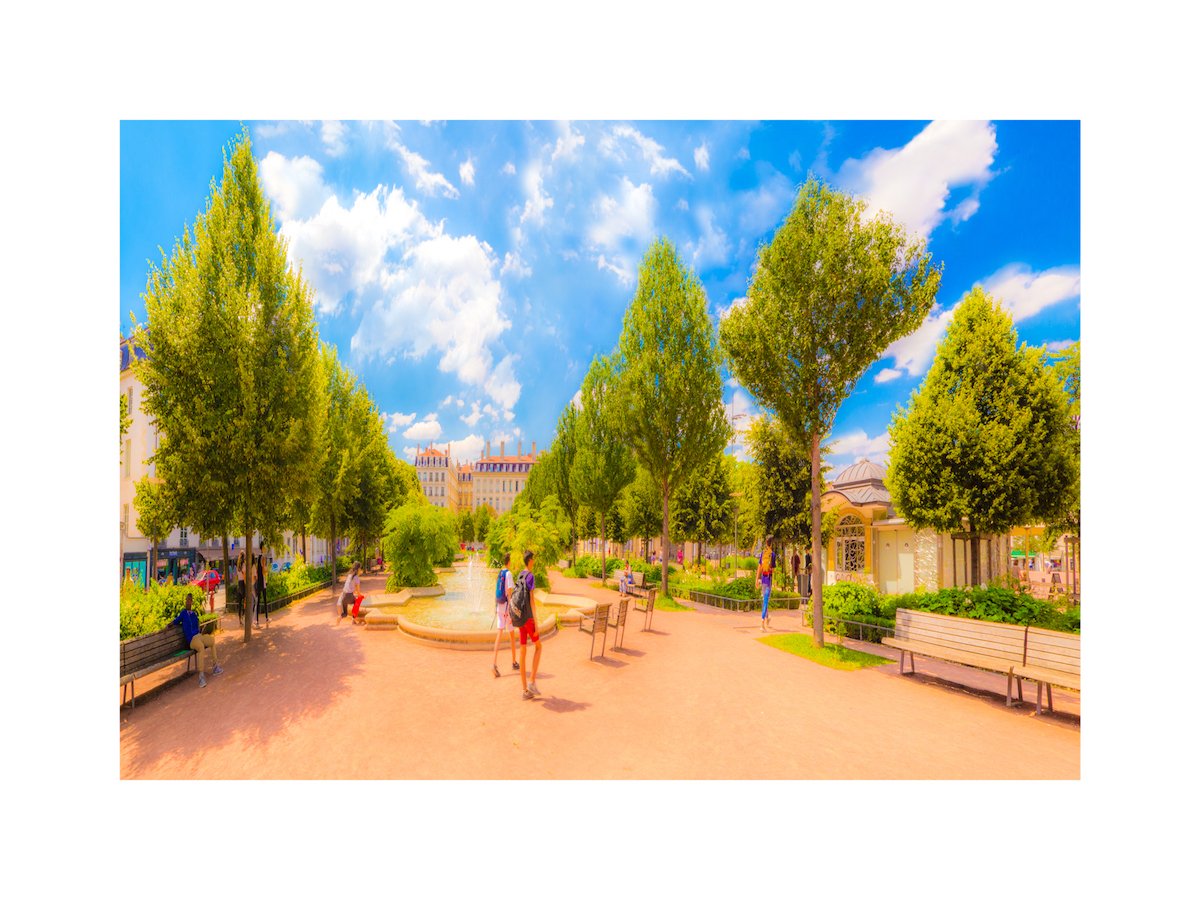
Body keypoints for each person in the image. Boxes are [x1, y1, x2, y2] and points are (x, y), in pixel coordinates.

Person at [170, 593, 222, 687]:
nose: (188, 602)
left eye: (189, 600)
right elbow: (175, 621)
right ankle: (201, 676)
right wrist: (167, 626)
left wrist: (201, 631)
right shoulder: (183, 613)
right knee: (201, 647)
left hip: (199, 636)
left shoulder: (194, 615)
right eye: (186, 600)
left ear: (192, 602)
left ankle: (215, 666)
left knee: (212, 640)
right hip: (192, 640)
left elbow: (196, 627)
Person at [510, 550, 542, 700]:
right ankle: (532, 682)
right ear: (530, 560)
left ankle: (524, 690)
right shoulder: (530, 576)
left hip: (520, 618)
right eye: (533, 560)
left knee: (522, 652)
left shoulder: (519, 575)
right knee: (539, 647)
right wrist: (536, 620)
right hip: (528, 618)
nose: (533, 562)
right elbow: (532, 600)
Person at [491, 552, 519, 677]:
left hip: (499, 607)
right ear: (510, 561)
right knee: (512, 634)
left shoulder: (500, 573)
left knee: (499, 634)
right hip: (507, 610)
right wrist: (511, 610)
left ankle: (494, 663)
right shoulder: (509, 574)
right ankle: (513, 662)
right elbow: (510, 593)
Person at [758, 534, 777, 631]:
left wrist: (756, 579)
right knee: (765, 601)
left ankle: (767, 618)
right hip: (769, 581)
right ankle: (762, 623)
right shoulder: (772, 555)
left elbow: (759, 567)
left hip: (762, 580)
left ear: (766, 543)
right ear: (772, 543)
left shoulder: (762, 553)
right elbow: (773, 570)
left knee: (764, 600)